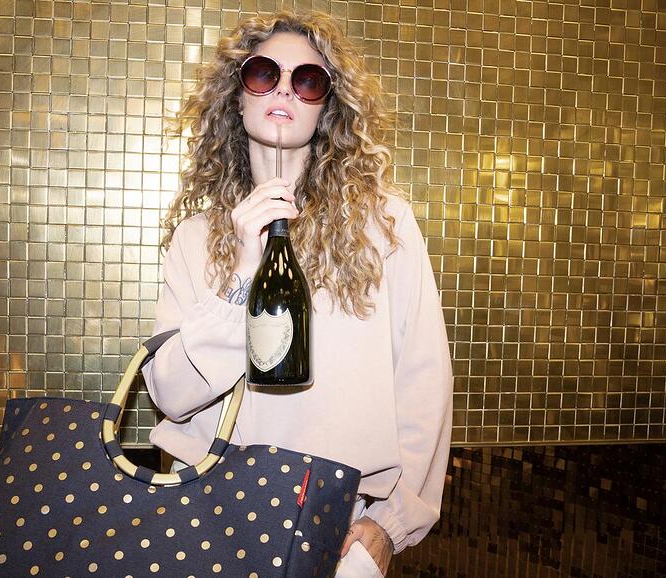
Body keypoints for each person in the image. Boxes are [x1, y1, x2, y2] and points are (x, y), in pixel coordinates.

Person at [142, 11, 453, 577]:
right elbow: (171, 393)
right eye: (264, 73)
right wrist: (242, 271)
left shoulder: (383, 226)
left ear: (325, 107)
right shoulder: (196, 239)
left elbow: (423, 379)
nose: (285, 89)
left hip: (341, 526)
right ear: (237, 96)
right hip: (211, 515)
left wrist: (391, 524)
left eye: (308, 80)